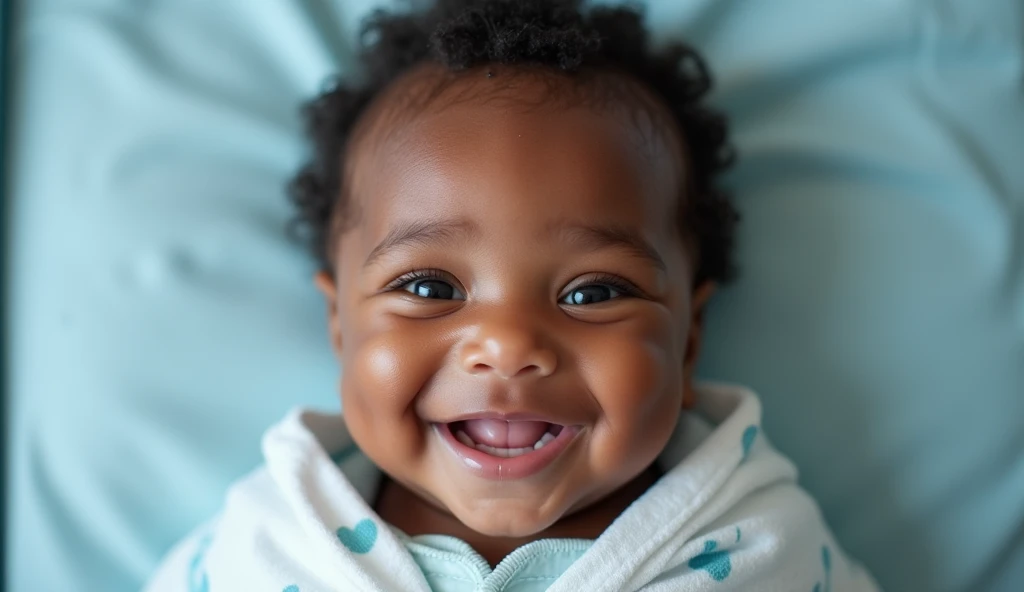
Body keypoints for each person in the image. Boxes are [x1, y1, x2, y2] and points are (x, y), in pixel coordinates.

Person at [145, 1, 880, 590]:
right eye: (430, 287)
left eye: (592, 293)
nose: (508, 344)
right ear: (341, 325)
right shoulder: (269, 537)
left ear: (688, 342)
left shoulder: (765, 545)